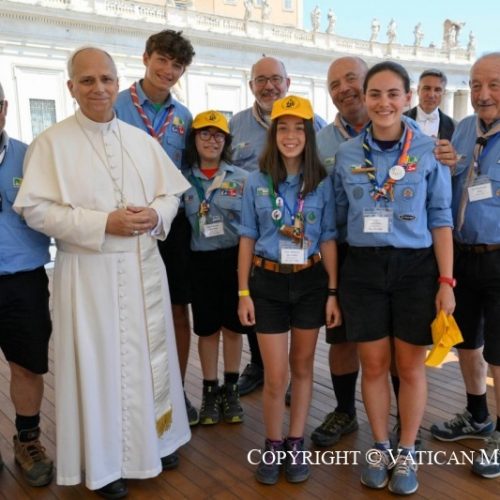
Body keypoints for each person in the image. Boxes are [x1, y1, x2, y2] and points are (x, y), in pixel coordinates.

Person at [14, 47, 191, 498]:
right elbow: (35, 209)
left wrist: (156, 215)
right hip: (88, 274)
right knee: (100, 368)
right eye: (87, 80)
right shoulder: (51, 144)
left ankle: (157, 440)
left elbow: (171, 194)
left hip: (144, 268)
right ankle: (106, 462)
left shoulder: (140, 140)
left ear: (117, 83)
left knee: (149, 360)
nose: (99, 88)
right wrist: (102, 223)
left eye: (106, 79)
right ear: (71, 87)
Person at [334, 61, 454, 495]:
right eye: (375, 94)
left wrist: (446, 282)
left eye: (392, 94)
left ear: (407, 98)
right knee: (373, 365)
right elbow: (337, 221)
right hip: (363, 270)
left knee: (409, 367)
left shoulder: (428, 151)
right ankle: (381, 447)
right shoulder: (347, 155)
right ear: (364, 98)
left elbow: (440, 217)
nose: (383, 103)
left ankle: (406, 452)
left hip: (415, 269)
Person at [238, 95, 341, 484]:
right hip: (266, 283)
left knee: (302, 367)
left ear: (309, 135)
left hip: (310, 282)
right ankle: (273, 442)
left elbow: (327, 237)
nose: (291, 135)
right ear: (274, 133)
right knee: (276, 374)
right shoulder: (256, 181)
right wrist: (243, 293)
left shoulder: (321, 183)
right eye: (283, 128)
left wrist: (333, 292)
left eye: (299, 128)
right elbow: (247, 237)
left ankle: (295, 441)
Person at [114, 30, 199, 426]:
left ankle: (175, 393)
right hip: (126, 222)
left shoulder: (184, 117)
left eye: (177, 65)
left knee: (178, 308)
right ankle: (130, 395)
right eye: (162, 59)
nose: (168, 70)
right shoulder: (116, 106)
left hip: (171, 224)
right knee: (128, 311)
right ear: (146, 57)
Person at [230, 56, 326, 397]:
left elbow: (323, 171)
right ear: (251, 85)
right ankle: (261, 367)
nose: (268, 86)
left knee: (300, 352)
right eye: (261, 80)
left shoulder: (316, 124)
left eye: (275, 79)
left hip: (303, 242)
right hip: (255, 235)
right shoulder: (236, 125)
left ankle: (291, 380)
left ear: (287, 83)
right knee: (259, 317)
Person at [430, 52, 500, 479]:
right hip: (463, 255)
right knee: (466, 342)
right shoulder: (464, 129)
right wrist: (448, 163)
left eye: (493, 84)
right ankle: (477, 416)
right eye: (475, 85)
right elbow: (454, 181)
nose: (482, 94)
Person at [312, 57, 369, 448]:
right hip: (341, 252)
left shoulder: (405, 131)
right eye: (334, 84)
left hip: (391, 252)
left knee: (394, 342)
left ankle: (401, 419)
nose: (344, 88)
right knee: (341, 337)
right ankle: (345, 410)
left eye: (351, 79)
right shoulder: (321, 141)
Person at [0, 82, 53, 487]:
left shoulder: (31, 156)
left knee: (27, 364)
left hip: (24, 281)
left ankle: (28, 439)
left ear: (3, 108)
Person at [183, 110, 249, 425]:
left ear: (226, 141)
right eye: (205, 134)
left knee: (233, 327)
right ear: (194, 140)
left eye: (218, 135)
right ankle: (210, 390)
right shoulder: (181, 181)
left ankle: (230, 389)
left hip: (234, 261)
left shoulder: (242, 178)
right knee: (207, 329)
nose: (212, 140)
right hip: (200, 263)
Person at [405, 69, 455, 140]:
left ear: (443, 92)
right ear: (418, 90)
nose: (431, 95)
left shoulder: (454, 126)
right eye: (427, 88)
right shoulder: (399, 121)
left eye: (437, 90)